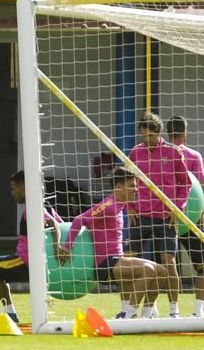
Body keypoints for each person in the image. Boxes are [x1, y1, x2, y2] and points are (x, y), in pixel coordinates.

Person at [62, 167, 168, 319]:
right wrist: (67, 246)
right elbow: (80, 220)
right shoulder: (109, 205)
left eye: (136, 185)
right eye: (132, 185)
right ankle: (128, 313)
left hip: (118, 259)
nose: (136, 189)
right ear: (118, 187)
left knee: (161, 271)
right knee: (148, 270)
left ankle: (146, 315)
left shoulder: (121, 205)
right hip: (106, 263)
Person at [0, 170, 66, 324]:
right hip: (29, 260)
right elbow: (61, 224)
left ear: (23, 186)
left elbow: (54, 224)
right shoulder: (45, 205)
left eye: (14, 189)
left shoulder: (33, 208)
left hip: (24, 260)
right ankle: (10, 314)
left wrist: (56, 247)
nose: (12, 193)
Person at [128, 112, 189, 317]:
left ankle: (174, 309)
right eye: (143, 137)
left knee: (168, 262)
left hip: (165, 216)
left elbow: (185, 183)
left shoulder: (172, 152)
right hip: (141, 216)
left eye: (150, 137)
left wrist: (177, 209)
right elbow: (127, 182)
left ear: (158, 133)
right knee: (129, 261)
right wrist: (129, 206)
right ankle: (127, 309)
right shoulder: (135, 152)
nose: (146, 141)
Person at [167, 115, 204, 317]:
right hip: (191, 220)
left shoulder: (159, 154)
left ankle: (157, 311)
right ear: (185, 133)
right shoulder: (193, 156)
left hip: (163, 219)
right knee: (202, 265)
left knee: (163, 267)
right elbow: (201, 188)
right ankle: (198, 313)